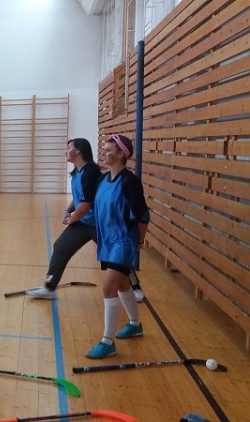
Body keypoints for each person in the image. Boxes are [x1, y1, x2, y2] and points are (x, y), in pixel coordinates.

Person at [27, 138, 145, 302]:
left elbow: (86, 204)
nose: (65, 151)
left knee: (117, 257)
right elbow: (79, 197)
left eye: (68, 147)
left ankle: (135, 287)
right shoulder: (77, 172)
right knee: (60, 247)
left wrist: (71, 219)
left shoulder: (91, 172)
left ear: (78, 151)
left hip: (99, 225)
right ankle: (49, 287)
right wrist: (68, 210)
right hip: (83, 223)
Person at [86, 134, 149, 359]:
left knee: (108, 287)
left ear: (121, 154)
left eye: (109, 150)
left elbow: (142, 216)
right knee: (122, 284)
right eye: (104, 149)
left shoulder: (129, 182)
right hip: (108, 241)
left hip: (123, 242)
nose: (104, 153)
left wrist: (139, 241)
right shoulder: (103, 180)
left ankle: (107, 341)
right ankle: (135, 324)